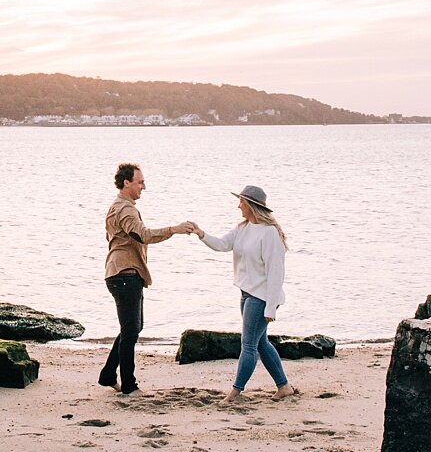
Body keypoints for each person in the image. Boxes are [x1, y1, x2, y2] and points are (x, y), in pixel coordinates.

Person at [100, 162, 195, 395]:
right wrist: (174, 229)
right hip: (124, 275)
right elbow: (142, 235)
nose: (144, 186)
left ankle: (107, 375)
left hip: (124, 273)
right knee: (131, 330)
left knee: (132, 328)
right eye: (140, 182)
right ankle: (129, 386)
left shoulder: (120, 207)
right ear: (126, 183)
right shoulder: (125, 209)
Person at [196, 183, 296, 401]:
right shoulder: (243, 228)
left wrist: (271, 306)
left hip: (262, 297)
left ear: (251, 205)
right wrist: (200, 233)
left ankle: (236, 392)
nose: (238, 205)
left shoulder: (269, 233)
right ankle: (284, 386)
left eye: (241, 201)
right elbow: (222, 244)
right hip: (246, 293)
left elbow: (276, 272)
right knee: (260, 343)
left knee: (248, 345)